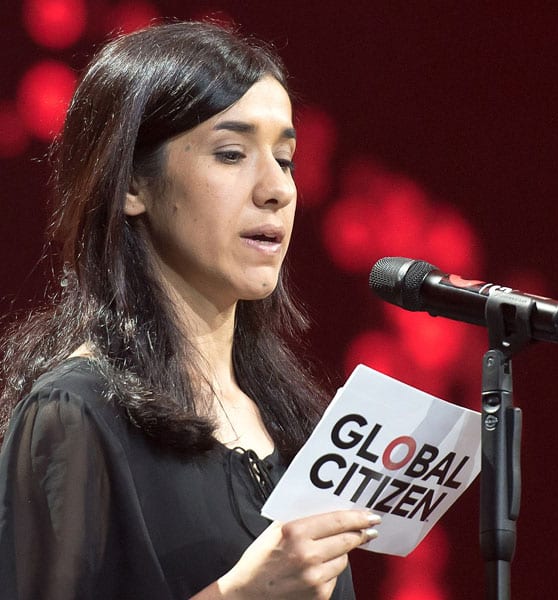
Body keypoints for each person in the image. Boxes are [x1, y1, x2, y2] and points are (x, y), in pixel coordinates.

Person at [0, 21, 380, 600]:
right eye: (231, 154)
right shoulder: (75, 415)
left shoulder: (292, 425)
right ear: (131, 184)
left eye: (285, 159)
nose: (277, 189)